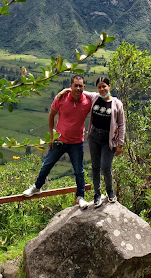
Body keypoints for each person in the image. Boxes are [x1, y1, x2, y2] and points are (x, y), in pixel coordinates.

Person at [22, 75, 93, 209]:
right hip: (59, 140)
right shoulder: (61, 98)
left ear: (84, 87)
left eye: (80, 86)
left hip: (77, 142)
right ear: (70, 86)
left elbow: (102, 97)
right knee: (47, 165)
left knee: (79, 171)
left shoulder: (88, 102)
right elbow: (51, 115)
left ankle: (80, 197)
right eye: (75, 85)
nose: (78, 88)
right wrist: (51, 136)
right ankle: (37, 187)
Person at [55, 76, 125, 207]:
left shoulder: (117, 103)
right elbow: (79, 90)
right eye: (99, 87)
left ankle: (110, 192)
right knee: (95, 166)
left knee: (105, 167)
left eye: (104, 86)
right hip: (94, 138)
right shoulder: (94, 97)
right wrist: (65, 90)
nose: (102, 89)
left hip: (108, 140)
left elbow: (121, 125)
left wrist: (120, 144)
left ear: (109, 86)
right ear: (97, 88)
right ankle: (97, 193)